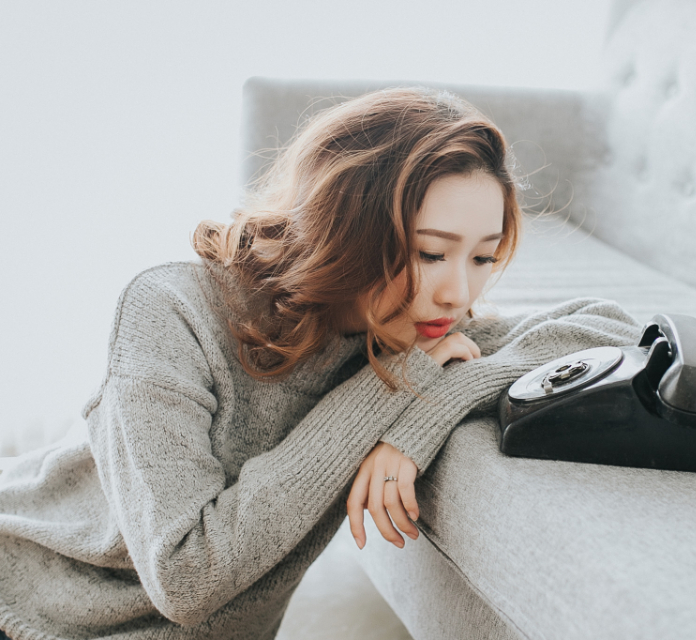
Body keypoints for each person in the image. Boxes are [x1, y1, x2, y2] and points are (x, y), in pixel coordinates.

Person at [0, 87, 640, 639]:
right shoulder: (170, 310)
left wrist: (429, 406)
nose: (460, 294)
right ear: (350, 226)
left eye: (481, 257)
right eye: (431, 252)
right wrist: (390, 394)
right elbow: (187, 576)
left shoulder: (412, 327)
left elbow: (617, 330)